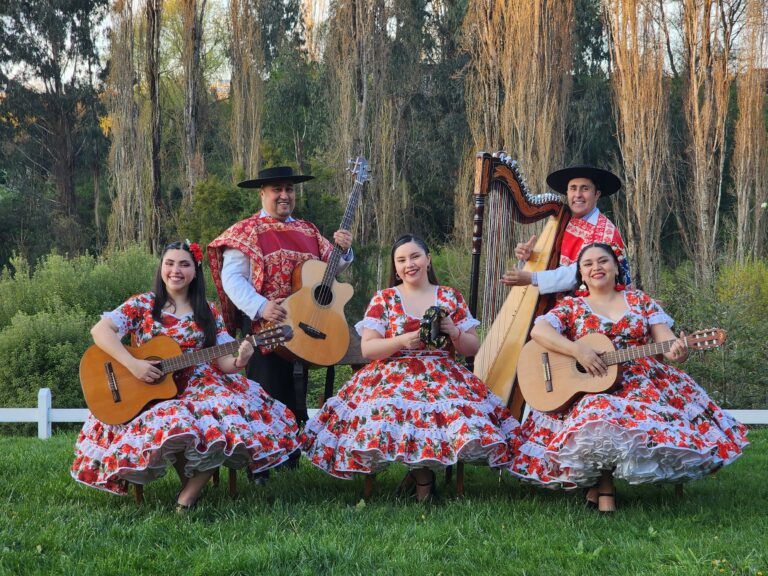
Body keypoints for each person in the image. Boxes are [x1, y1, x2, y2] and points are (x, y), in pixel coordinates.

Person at [507, 243, 748, 512]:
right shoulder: (571, 306)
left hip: (640, 380)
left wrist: (679, 351)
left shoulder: (641, 302)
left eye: (603, 261)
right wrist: (579, 351)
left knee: (605, 409)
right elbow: (539, 332)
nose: (596, 268)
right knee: (595, 406)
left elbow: (667, 345)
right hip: (588, 382)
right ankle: (603, 488)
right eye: (588, 264)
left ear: (615, 268)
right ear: (581, 275)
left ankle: (599, 488)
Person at [71, 241, 300, 511]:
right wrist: (134, 365)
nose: (175, 270)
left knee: (225, 415)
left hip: (199, 385)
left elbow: (224, 361)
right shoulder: (143, 304)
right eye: (169, 263)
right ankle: (189, 485)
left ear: (195, 270)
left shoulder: (208, 311)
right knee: (177, 418)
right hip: (149, 388)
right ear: (161, 268)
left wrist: (242, 357)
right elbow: (100, 331)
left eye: (184, 264)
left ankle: (188, 495)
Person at [301, 234, 522, 501]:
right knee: (386, 410)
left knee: (448, 413)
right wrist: (404, 340)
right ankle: (422, 477)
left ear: (428, 260)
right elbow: (369, 349)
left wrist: (454, 332)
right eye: (401, 260)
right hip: (392, 372)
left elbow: (472, 347)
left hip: (442, 373)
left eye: (415, 256)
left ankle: (419, 473)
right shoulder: (385, 299)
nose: (409, 264)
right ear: (395, 268)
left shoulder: (451, 297)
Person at [207, 166, 353, 426]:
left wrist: (344, 249)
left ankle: (294, 457)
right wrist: (261, 307)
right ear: (262, 193)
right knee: (266, 398)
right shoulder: (246, 232)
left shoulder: (307, 230)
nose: (284, 195)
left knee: (296, 396)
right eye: (277, 189)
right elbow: (232, 279)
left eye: (289, 189)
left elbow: (331, 268)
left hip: (306, 327)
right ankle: (263, 460)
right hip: (266, 329)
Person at [501, 165, 631, 294]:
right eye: (573, 188)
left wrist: (533, 278)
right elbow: (551, 264)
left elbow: (579, 274)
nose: (578, 195)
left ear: (596, 194)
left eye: (585, 189)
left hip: (594, 306)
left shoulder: (605, 233)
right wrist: (529, 257)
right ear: (567, 193)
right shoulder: (564, 221)